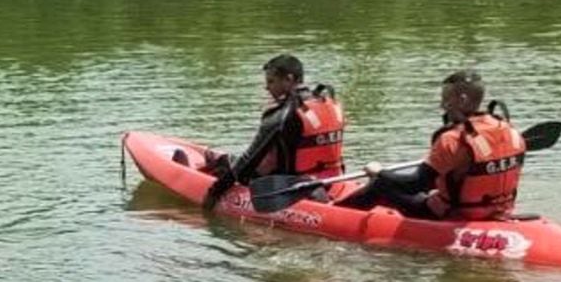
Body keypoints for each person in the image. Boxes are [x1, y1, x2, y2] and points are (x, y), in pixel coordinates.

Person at [337, 70, 525, 219]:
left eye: (446, 97)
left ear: (462, 100)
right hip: (496, 209)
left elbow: (415, 185)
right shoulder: (508, 129)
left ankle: (334, 215)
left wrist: (379, 172)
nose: (442, 105)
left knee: (381, 185)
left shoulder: (451, 138)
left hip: (453, 212)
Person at [202, 55, 345, 208]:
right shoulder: (326, 102)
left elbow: (248, 161)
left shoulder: (281, 114)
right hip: (333, 180)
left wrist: (214, 192)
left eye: (271, 81)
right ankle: (221, 160)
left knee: (236, 165)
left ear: (289, 79)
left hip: (292, 187)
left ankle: (221, 162)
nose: (267, 87)